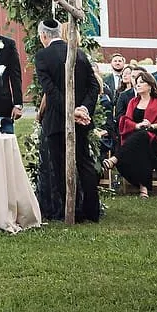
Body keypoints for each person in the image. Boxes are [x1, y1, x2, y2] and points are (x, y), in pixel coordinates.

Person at [34, 19, 102, 222]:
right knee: (84, 163)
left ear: (43, 36)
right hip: (80, 119)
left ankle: (70, 210)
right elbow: (93, 85)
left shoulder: (43, 56)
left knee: (60, 166)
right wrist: (83, 108)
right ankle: (92, 210)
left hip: (57, 120)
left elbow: (51, 91)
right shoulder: (79, 53)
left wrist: (72, 111)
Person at [116, 70, 157, 197]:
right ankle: (144, 188)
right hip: (136, 138)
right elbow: (126, 121)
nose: (138, 85)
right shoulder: (133, 102)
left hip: (155, 137)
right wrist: (137, 125)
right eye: (137, 83)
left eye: (141, 82)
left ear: (150, 85)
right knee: (141, 141)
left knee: (143, 135)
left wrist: (150, 125)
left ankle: (115, 158)